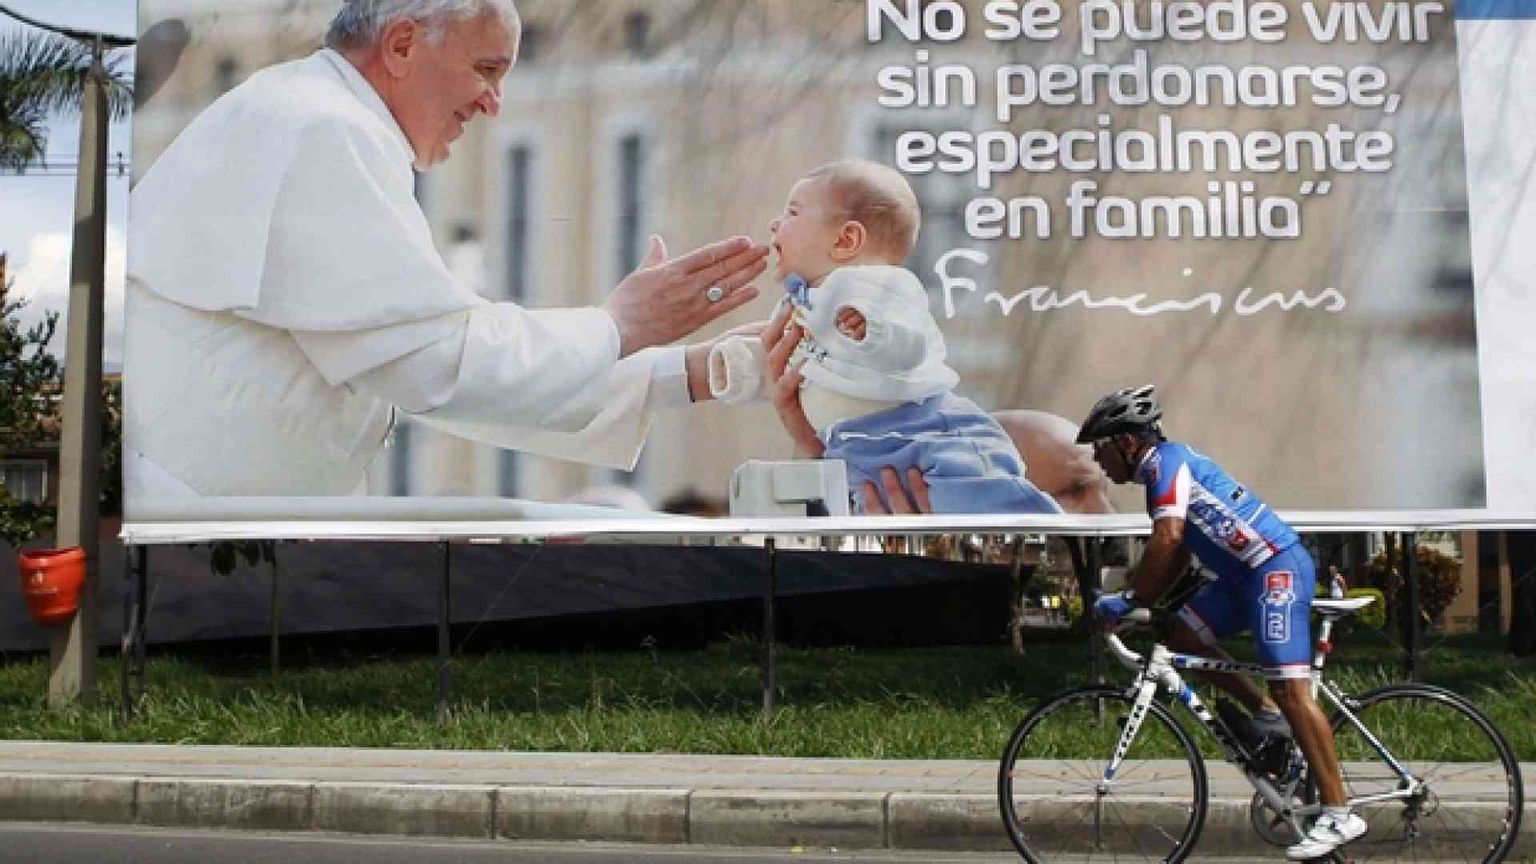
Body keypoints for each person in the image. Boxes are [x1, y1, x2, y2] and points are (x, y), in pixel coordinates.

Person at [123, 0, 766, 501]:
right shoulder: (323, 127)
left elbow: (417, 368)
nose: (494, 103)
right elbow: (435, 363)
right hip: (195, 541)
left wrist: (682, 374)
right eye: (486, 69)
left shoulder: (314, 113)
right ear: (402, 44)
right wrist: (620, 326)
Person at [1079, 384, 1366, 860]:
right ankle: (1268, 718)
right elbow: (1180, 551)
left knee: (1291, 688)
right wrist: (1136, 601)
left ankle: (1339, 813)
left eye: (1100, 448)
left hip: (1274, 568)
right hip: (1241, 576)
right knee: (1181, 635)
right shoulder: (1162, 473)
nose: (1098, 460)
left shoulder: (1164, 464)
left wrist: (1129, 597)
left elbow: (1168, 539)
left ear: (1127, 442)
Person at [713, 160, 1060, 515]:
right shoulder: (803, 303)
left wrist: (871, 328)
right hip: (854, 447)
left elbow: (910, 343)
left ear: (846, 240)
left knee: (969, 492)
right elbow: (771, 351)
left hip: (918, 428)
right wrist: (730, 364)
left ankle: (1051, 531)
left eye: (792, 212)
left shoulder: (878, 287)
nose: (775, 223)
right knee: (866, 517)